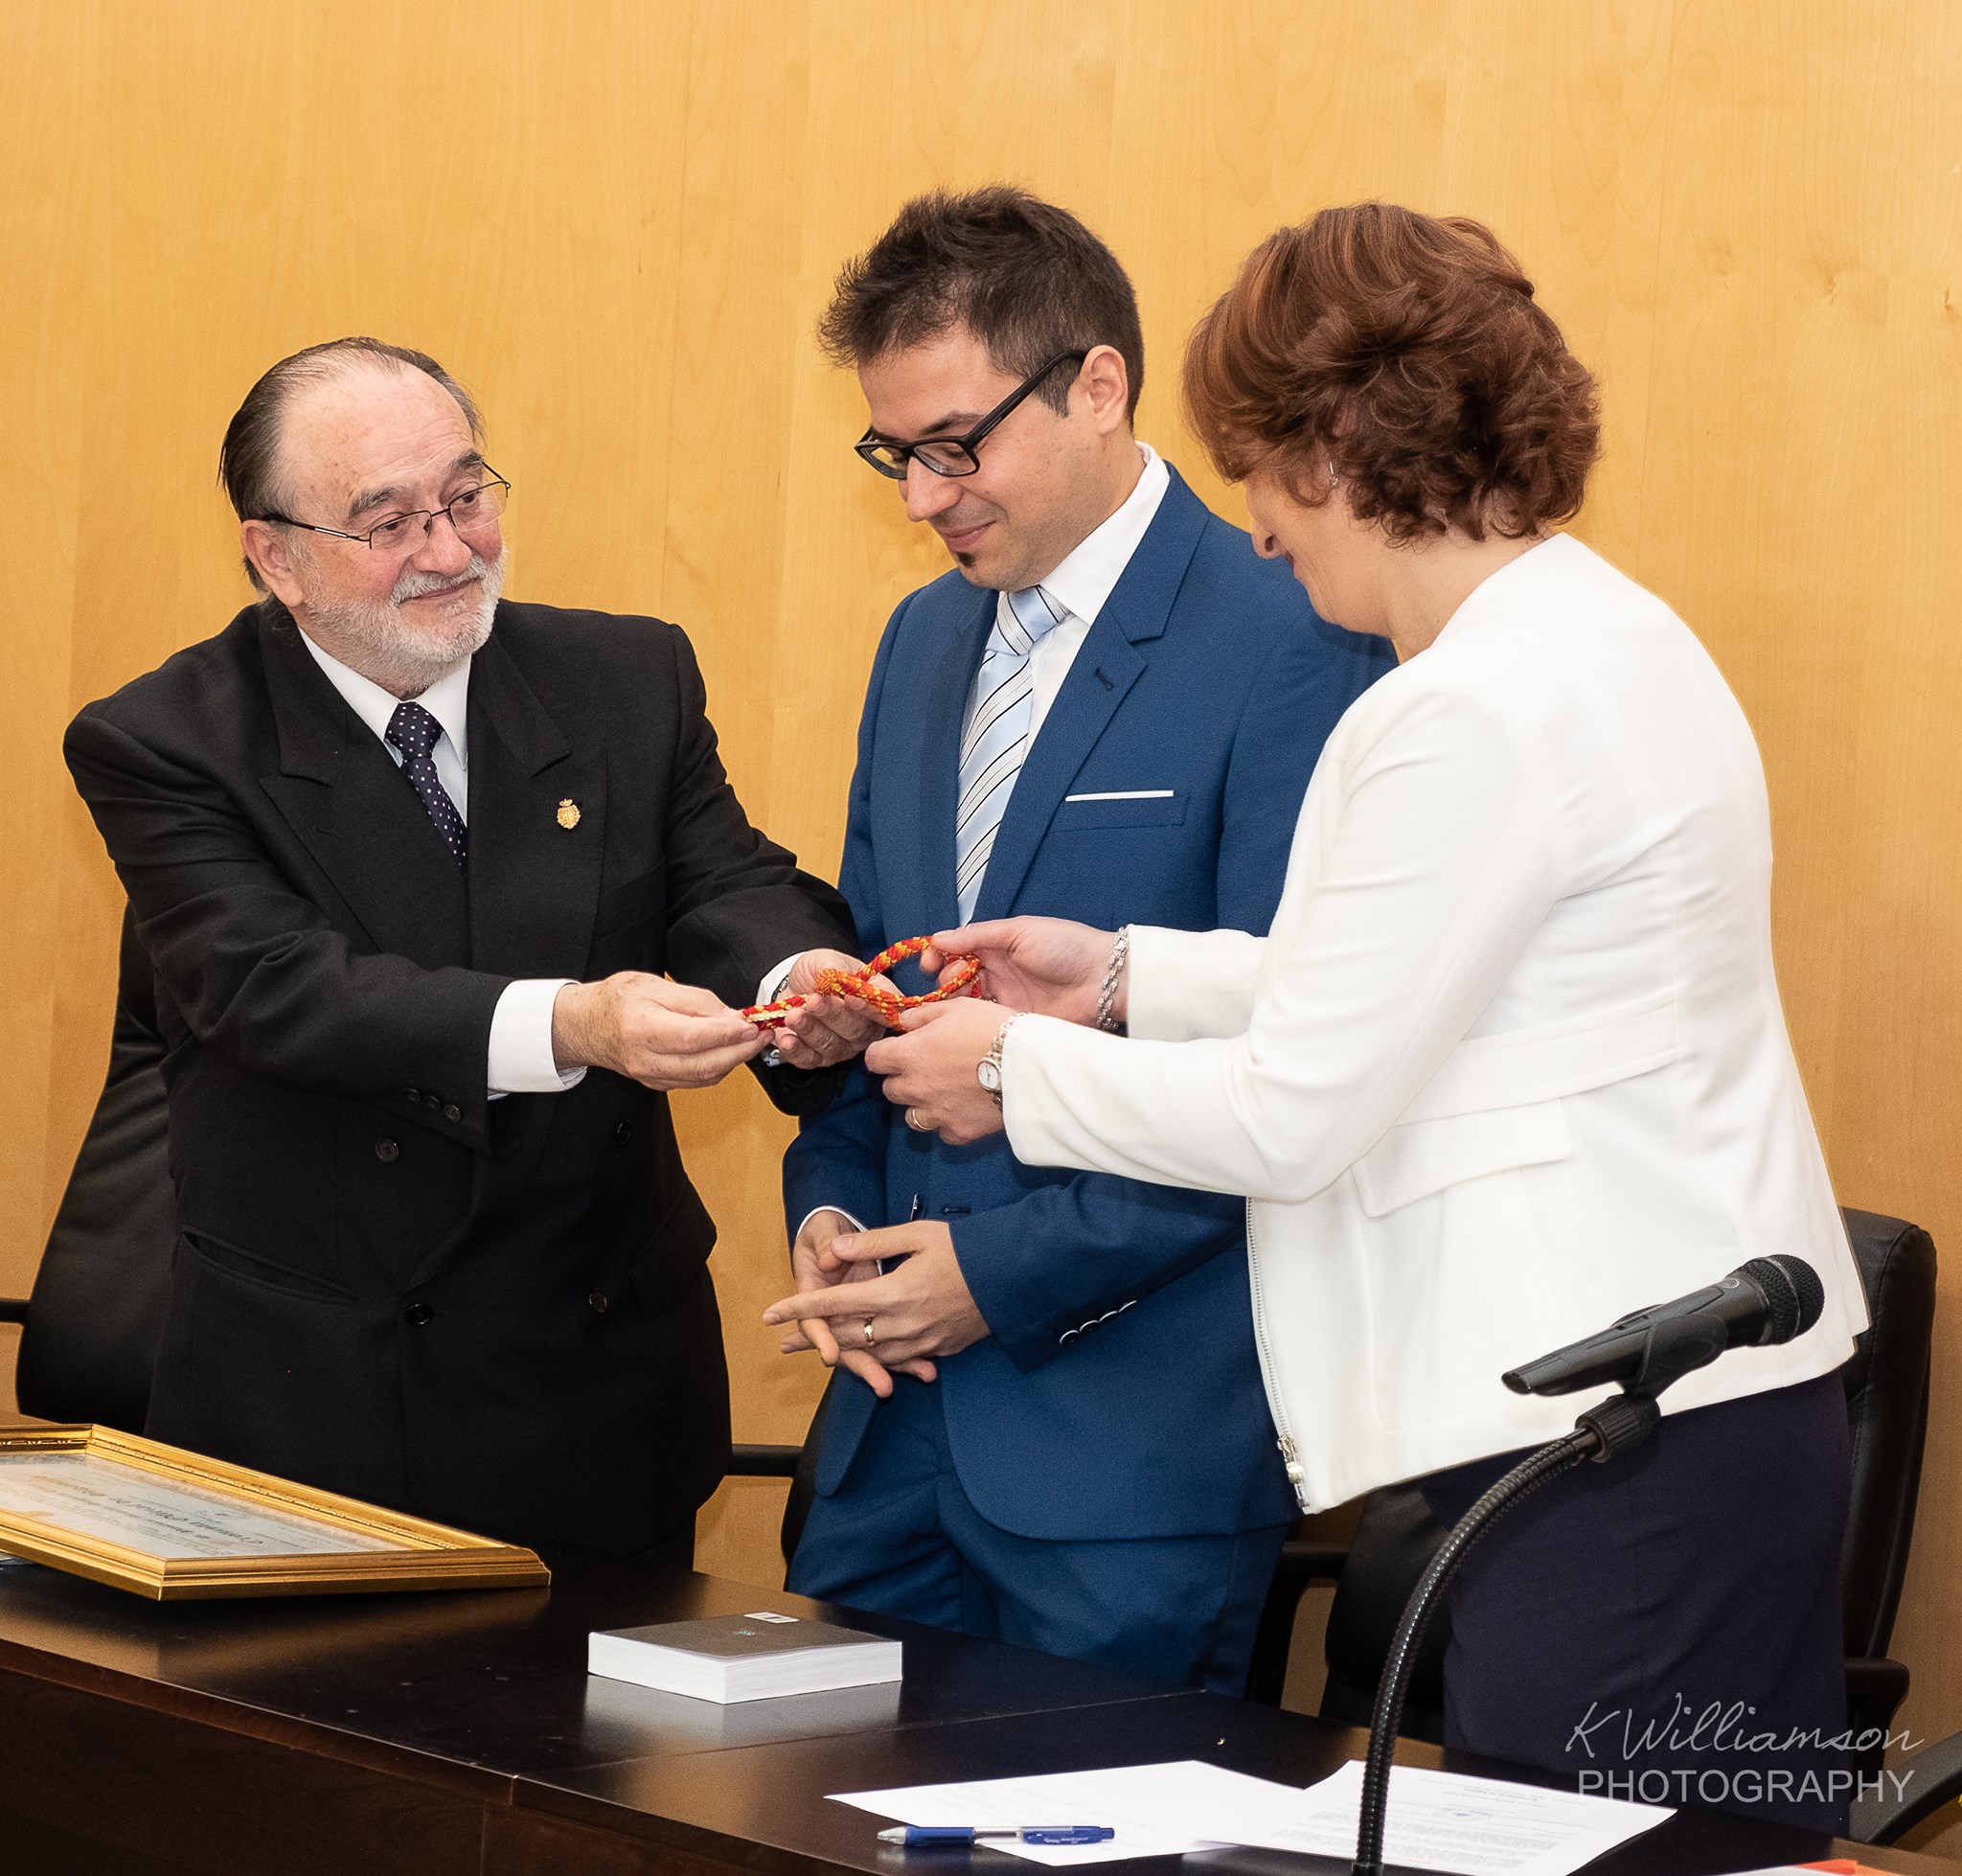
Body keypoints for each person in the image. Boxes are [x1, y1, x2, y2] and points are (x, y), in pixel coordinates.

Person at [773, 206, 1870, 1829]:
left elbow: (1299, 1105)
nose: (1255, 523)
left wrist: (1014, 1065)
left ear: (1344, 442)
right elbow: (1420, 993)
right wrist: (1124, 976)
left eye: (1258, 466)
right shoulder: (1587, 631)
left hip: (1623, 1450)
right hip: (1669, 1424)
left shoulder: (1467, 703)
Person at [65, 337, 882, 1563]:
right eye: (386, 521)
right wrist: (575, 1022)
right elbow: (275, 989)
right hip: (320, 1409)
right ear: (276, 557)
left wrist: (793, 977)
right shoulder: (166, 741)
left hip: (595, 1382)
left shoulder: (623, 676)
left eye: (466, 495)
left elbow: (723, 879)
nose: (450, 550)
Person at [766, 187, 1390, 1692]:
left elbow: (1295, 1059)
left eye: (954, 445)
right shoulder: (922, 641)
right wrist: (831, 1207)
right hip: (883, 1442)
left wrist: (1001, 1273)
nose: (923, 496)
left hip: (1129, 1455)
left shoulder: (1293, 624)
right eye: (894, 454)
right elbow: (885, 977)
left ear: (1098, 386)